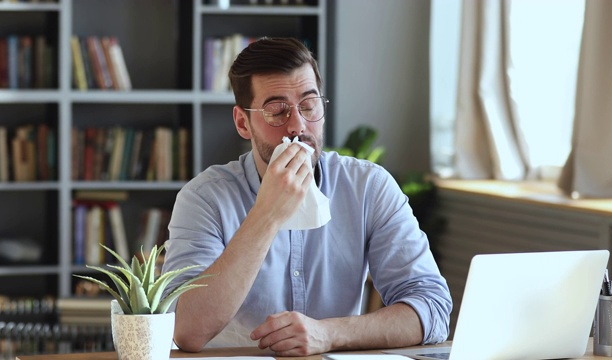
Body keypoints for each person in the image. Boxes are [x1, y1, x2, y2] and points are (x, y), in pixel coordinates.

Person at [161, 37, 452, 357]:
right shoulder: (204, 198)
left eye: (309, 106)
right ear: (243, 123)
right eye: (277, 111)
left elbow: (431, 308)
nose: (298, 126)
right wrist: (267, 213)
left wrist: (328, 333)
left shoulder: (368, 187)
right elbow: (186, 330)